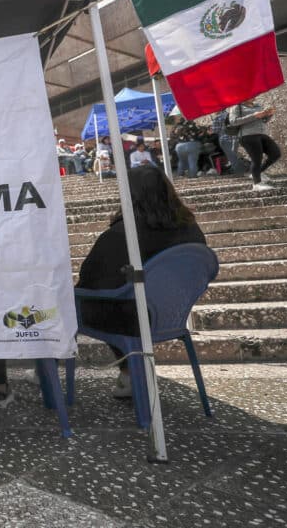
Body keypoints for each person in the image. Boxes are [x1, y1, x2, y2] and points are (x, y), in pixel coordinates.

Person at [76, 165, 206, 397]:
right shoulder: (190, 228)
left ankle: (127, 371)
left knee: (85, 302)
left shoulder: (123, 233)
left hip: (131, 320)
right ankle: (128, 373)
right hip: (171, 315)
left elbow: (90, 279)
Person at [229, 99, 281, 191]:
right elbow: (233, 121)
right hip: (247, 135)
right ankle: (257, 184)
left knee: (275, 154)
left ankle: (257, 172)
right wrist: (254, 116)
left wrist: (269, 115)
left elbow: (263, 121)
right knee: (257, 159)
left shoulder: (257, 105)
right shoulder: (237, 107)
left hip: (261, 133)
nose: (254, 96)